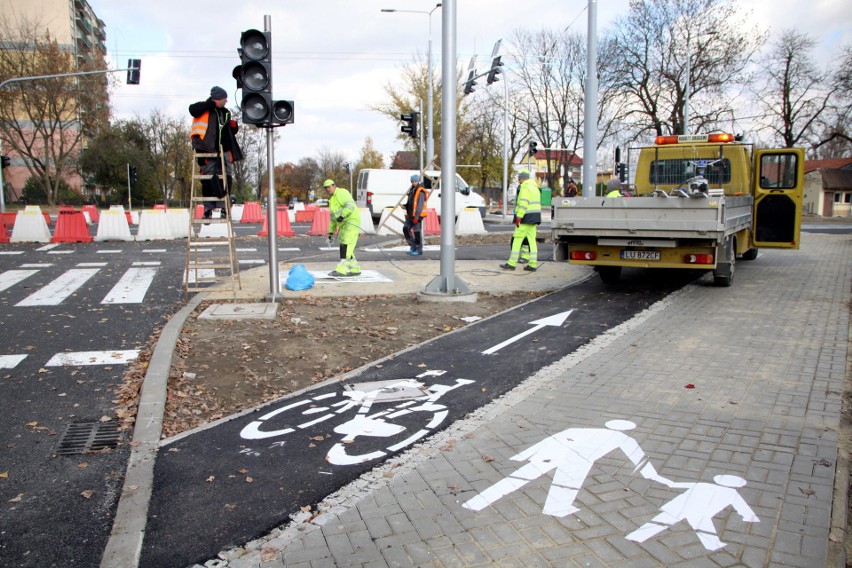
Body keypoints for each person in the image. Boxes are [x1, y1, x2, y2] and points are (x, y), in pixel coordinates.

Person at [189, 86, 244, 219]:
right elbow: (192, 110)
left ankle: (223, 207)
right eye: (225, 98)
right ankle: (208, 208)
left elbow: (224, 132)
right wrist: (210, 104)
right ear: (218, 98)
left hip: (223, 150)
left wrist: (233, 128)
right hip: (206, 150)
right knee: (208, 179)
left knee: (225, 178)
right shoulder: (203, 108)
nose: (226, 101)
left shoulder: (225, 112)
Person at [500, 170, 541, 272]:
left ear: (522, 179)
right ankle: (532, 264)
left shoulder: (525, 188)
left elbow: (523, 204)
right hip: (535, 218)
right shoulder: (535, 188)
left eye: (519, 179)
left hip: (525, 218)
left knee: (517, 239)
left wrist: (519, 217)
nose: (518, 181)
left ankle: (511, 263)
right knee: (532, 241)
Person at [324, 179, 361, 276]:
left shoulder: (342, 193)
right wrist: (331, 233)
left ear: (334, 185)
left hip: (351, 221)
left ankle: (341, 270)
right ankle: (355, 268)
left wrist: (343, 215)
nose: (328, 189)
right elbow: (333, 219)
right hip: (344, 224)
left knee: (346, 245)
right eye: (326, 188)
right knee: (342, 244)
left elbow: (350, 205)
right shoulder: (332, 200)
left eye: (329, 187)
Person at [402, 174, 428, 256]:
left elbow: (419, 206)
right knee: (405, 229)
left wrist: (417, 217)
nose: (414, 183)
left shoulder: (420, 191)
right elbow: (411, 203)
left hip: (417, 216)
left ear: (418, 181)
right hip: (410, 215)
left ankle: (419, 249)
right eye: (412, 181)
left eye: (415, 181)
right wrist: (405, 206)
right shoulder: (412, 190)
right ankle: (413, 246)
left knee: (417, 233)